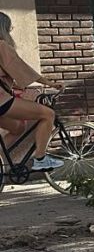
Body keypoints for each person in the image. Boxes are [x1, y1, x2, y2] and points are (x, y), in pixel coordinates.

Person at [0, 11, 63, 171]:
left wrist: (14, 86)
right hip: (1, 101)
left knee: (18, 128)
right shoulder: (2, 46)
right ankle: (40, 159)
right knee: (48, 114)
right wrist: (51, 83)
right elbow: (23, 69)